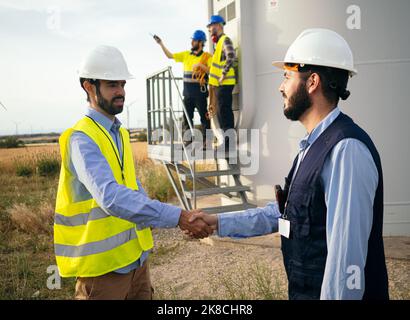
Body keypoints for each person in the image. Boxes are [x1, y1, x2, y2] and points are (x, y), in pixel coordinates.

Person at [189, 29, 389, 300]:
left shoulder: (346, 149)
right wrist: (217, 221)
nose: (280, 87)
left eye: (287, 76)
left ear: (312, 82)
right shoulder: (312, 147)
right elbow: (285, 215)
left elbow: (346, 260)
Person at [54, 45, 213, 300]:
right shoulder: (81, 139)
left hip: (137, 261)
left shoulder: (120, 133)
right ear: (89, 87)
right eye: (112, 85)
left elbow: (132, 185)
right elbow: (111, 197)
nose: (121, 92)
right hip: (103, 272)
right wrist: (178, 216)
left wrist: (161, 217)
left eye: (122, 84)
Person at [155, 30, 212, 147]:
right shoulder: (186, 55)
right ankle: (188, 141)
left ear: (200, 42)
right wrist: (161, 44)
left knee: (204, 118)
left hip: (200, 93)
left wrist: (201, 66)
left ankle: (207, 141)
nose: (192, 42)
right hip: (187, 93)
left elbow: (212, 71)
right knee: (186, 118)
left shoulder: (207, 57)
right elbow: (170, 56)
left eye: (194, 40)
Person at [207, 15, 237, 151]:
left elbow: (231, 56)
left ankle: (229, 144)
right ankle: (227, 143)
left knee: (224, 113)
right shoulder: (218, 43)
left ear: (219, 25)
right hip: (219, 85)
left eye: (211, 26)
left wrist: (223, 74)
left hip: (225, 83)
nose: (210, 29)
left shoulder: (225, 40)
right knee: (221, 113)